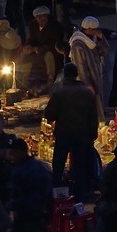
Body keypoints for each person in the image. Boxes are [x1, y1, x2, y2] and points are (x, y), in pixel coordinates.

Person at [43, 63, 101, 200]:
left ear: (65, 75)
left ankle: (58, 196)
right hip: (83, 136)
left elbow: (49, 115)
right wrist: (92, 136)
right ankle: (79, 196)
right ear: (76, 75)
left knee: (58, 167)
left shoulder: (60, 93)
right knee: (79, 167)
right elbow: (94, 117)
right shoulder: (88, 93)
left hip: (63, 135)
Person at [7, 137, 53, 232]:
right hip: (33, 216)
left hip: (31, 217)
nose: (10, 155)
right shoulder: (38, 166)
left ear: (20, 151)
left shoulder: (30, 169)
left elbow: (41, 194)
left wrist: (12, 205)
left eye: (12, 152)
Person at [69, 17, 109, 117]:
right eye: (95, 29)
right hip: (85, 81)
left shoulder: (92, 39)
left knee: (96, 106)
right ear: (89, 29)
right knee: (86, 107)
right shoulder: (78, 44)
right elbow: (79, 66)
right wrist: (86, 84)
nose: (96, 31)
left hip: (94, 76)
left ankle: (99, 126)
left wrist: (101, 39)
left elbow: (104, 51)